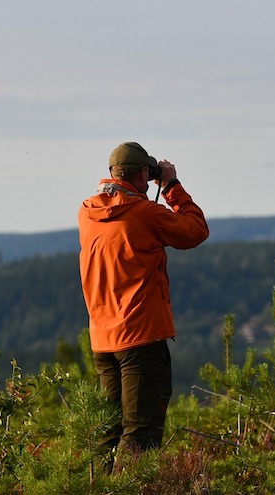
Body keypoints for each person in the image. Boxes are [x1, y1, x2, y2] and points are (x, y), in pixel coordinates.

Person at [78, 141, 209, 457]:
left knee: (109, 433)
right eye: (146, 174)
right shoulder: (145, 214)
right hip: (141, 339)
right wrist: (171, 186)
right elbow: (195, 230)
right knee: (140, 435)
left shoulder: (87, 213)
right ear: (141, 176)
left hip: (103, 341)